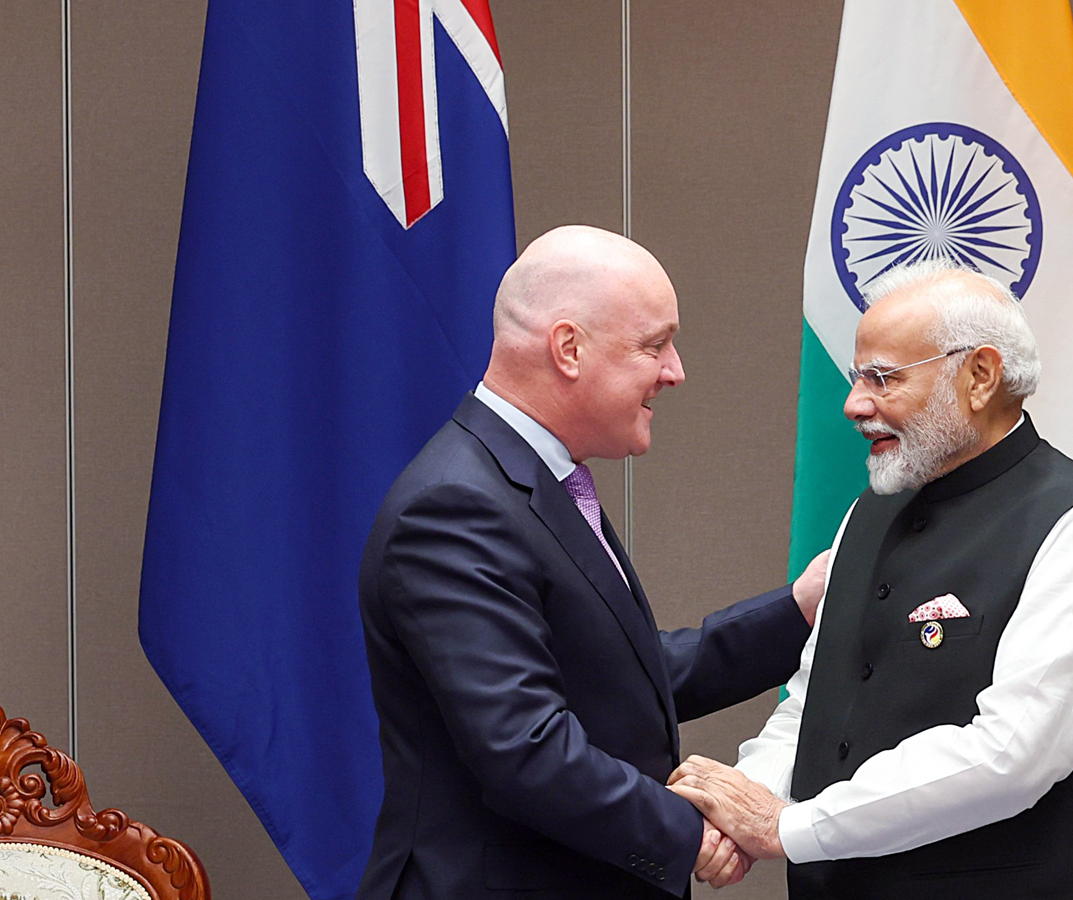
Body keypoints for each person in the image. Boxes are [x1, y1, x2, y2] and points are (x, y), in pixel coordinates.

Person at [354, 225, 828, 900]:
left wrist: (798, 611)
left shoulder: (534, 480)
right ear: (569, 349)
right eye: (654, 345)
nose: (675, 371)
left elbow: (617, 678)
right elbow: (525, 749)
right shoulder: (455, 507)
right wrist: (694, 834)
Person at [667, 258, 1073, 898]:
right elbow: (814, 702)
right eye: (855, 378)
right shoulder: (867, 512)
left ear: (980, 376)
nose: (853, 404)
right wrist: (743, 802)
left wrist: (789, 827)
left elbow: (1014, 753)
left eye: (883, 378)